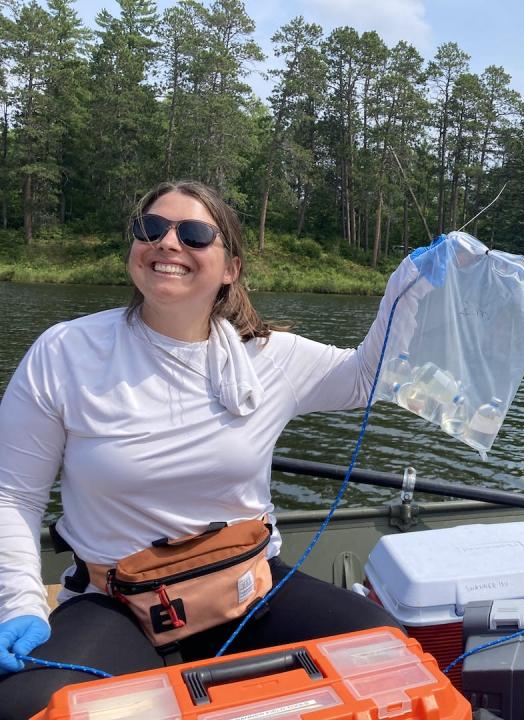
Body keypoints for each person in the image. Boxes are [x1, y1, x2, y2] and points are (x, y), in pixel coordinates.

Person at [0, 181, 429, 717]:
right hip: (116, 604)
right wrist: (19, 602)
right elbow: (11, 495)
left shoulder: (270, 358)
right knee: (29, 705)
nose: (168, 243)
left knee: (382, 649)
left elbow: (369, 376)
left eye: (195, 234)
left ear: (230, 267)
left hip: (245, 591)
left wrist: (408, 290)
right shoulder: (65, 352)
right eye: (151, 228)